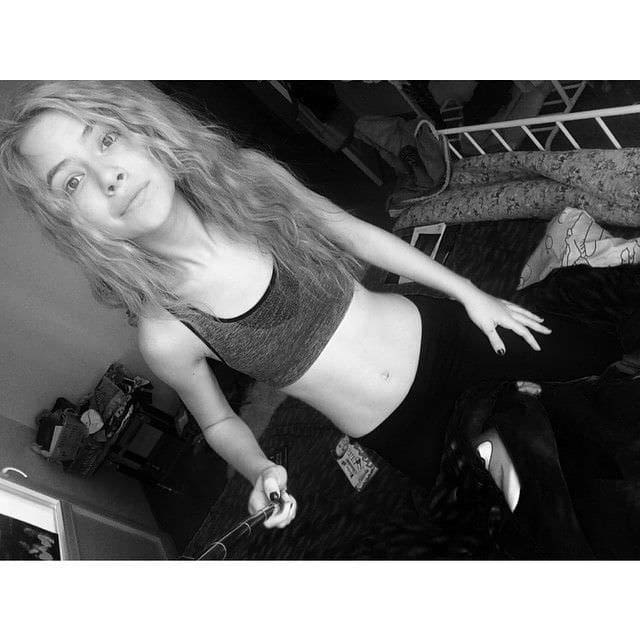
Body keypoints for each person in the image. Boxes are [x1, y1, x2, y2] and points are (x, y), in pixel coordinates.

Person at [0, 81, 623, 530]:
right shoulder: (166, 333)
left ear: (147, 134)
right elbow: (217, 424)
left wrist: (471, 294)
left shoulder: (249, 183)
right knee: (543, 520)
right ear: (72, 222)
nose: (106, 175)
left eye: (107, 139)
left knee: (598, 353)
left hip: (445, 335)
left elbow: (355, 233)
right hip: (408, 433)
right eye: (71, 181)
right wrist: (257, 468)